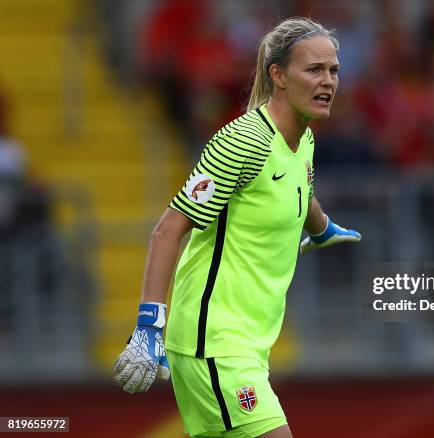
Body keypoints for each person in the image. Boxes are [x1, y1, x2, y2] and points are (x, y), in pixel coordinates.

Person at [112, 17, 361, 438]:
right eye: (314, 70)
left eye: (333, 70)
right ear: (277, 75)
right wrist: (147, 326)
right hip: (214, 343)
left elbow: (300, 188)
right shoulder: (244, 141)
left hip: (246, 345)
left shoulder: (304, 140)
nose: (328, 81)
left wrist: (321, 228)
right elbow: (168, 228)